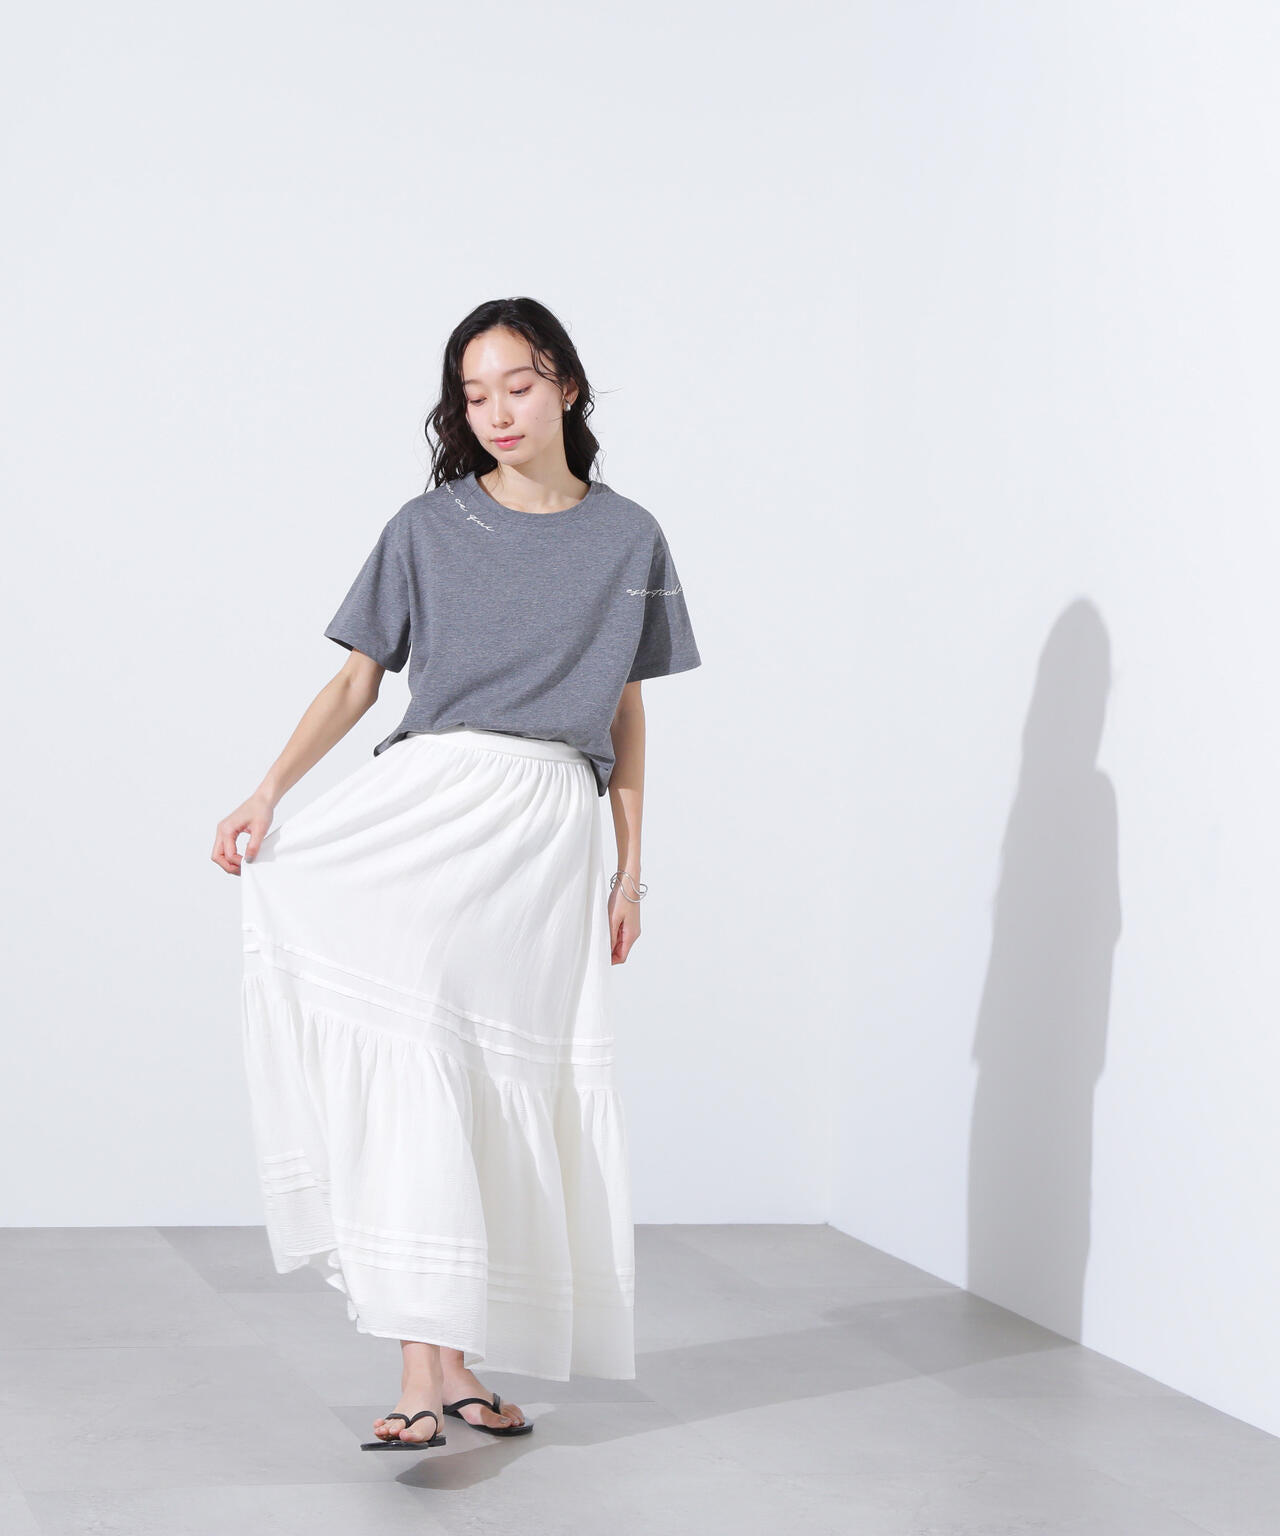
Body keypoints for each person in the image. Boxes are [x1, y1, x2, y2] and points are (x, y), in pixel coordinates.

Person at [211, 296, 702, 1453]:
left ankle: (455, 1362)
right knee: (418, 1064)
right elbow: (357, 681)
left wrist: (631, 871)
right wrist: (268, 789)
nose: (496, 413)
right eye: (473, 395)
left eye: (517, 386)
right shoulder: (427, 527)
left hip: (544, 834)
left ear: (565, 384)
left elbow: (625, 711)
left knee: (484, 1076)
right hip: (428, 810)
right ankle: (417, 1374)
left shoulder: (629, 537)